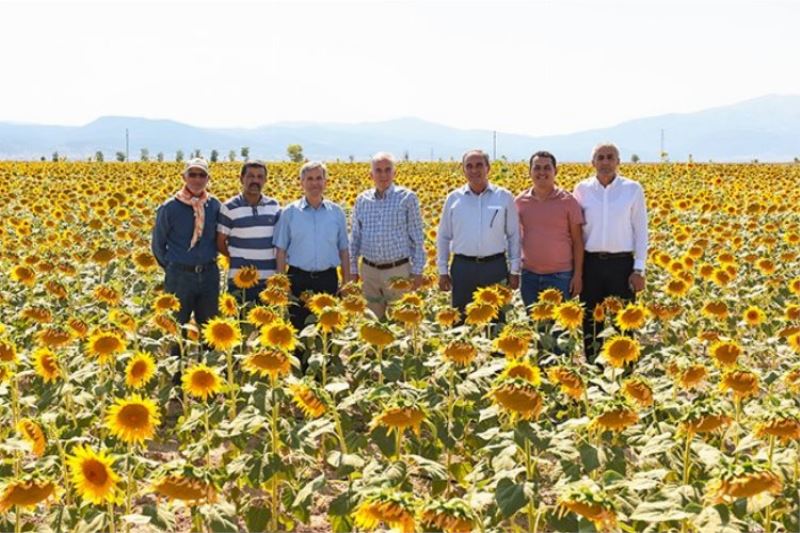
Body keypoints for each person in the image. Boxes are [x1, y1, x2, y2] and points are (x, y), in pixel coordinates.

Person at [573, 143, 648, 363]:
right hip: (591, 264)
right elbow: (576, 231)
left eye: (610, 157)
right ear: (592, 162)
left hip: (622, 264)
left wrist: (639, 269)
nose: (605, 162)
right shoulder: (581, 189)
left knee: (623, 321)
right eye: (600, 157)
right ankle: (593, 369)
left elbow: (641, 230)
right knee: (590, 320)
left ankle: (625, 372)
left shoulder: (632, 189)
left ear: (618, 161)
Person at [436, 149, 521, 313]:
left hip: (495, 266)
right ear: (463, 170)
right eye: (469, 166)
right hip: (462, 267)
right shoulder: (454, 199)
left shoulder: (503, 196)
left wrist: (514, 270)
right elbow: (444, 236)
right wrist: (442, 271)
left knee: (497, 322)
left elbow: (513, 235)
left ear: (488, 168)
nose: (474, 170)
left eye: (479, 165)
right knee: (461, 319)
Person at [273, 161, 350, 334]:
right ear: (302, 183)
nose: (314, 183)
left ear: (325, 182)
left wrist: (346, 282)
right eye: (309, 179)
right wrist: (281, 284)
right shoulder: (290, 212)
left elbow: (344, 249)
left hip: (328, 279)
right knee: (298, 329)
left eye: (318, 178)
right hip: (298, 279)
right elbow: (281, 250)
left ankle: (326, 362)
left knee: (328, 332)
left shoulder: (336, 212)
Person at [349, 152, 426, 318]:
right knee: (371, 321)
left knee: (401, 320)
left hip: (397, 270)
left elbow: (417, 238)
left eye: (387, 169)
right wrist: (353, 269)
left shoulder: (407, 198)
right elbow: (355, 237)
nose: (383, 174)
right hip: (369, 272)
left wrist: (418, 271)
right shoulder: (362, 200)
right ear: (371, 175)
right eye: (378, 170)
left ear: (394, 173)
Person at [151, 157, 221, 329]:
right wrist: (171, 266)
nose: (197, 179)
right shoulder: (170, 207)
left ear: (208, 179)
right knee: (175, 325)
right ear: (184, 177)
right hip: (180, 275)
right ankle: (177, 356)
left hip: (209, 273)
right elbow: (158, 243)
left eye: (202, 175)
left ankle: (205, 357)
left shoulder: (214, 206)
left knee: (209, 327)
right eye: (193, 174)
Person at [515, 150, 584, 309]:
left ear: (555, 171)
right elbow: (514, 238)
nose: (542, 172)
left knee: (557, 328)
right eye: (537, 168)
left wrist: (578, 275)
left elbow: (577, 241)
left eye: (547, 168)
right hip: (529, 275)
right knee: (533, 326)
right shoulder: (520, 202)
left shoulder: (568, 201)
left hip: (560, 275)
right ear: (530, 172)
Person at [217, 160, 281, 303]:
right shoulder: (229, 207)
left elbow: (280, 241)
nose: (255, 180)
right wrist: (238, 257)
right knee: (240, 320)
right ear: (241, 179)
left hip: (269, 281)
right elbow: (220, 242)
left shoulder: (274, 206)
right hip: (240, 279)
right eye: (250, 176)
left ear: (265, 180)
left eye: (259, 177)